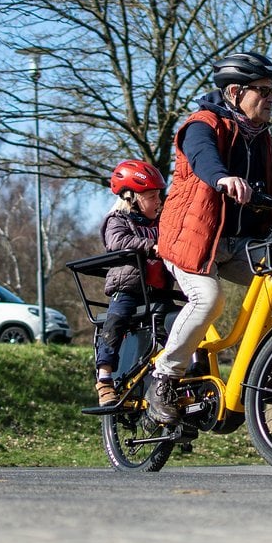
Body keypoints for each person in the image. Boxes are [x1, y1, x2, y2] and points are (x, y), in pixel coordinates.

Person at [144, 52, 272, 424]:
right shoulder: (202, 125)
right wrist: (222, 178)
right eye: (263, 91)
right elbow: (203, 157)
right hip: (192, 240)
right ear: (235, 92)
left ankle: (264, 370)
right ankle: (165, 377)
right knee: (210, 299)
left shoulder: (261, 140)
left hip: (237, 243)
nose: (271, 98)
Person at [93, 160, 170, 406]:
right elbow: (117, 242)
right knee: (116, 320)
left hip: (158, 292)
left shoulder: (160, 225)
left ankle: (174, 379)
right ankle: (104, 377)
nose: (158, 201)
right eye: (151, 196)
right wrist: (152, 246)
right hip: (129, 288)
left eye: (159, 195)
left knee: (182, 322)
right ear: (130, 197)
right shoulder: (117, 219)